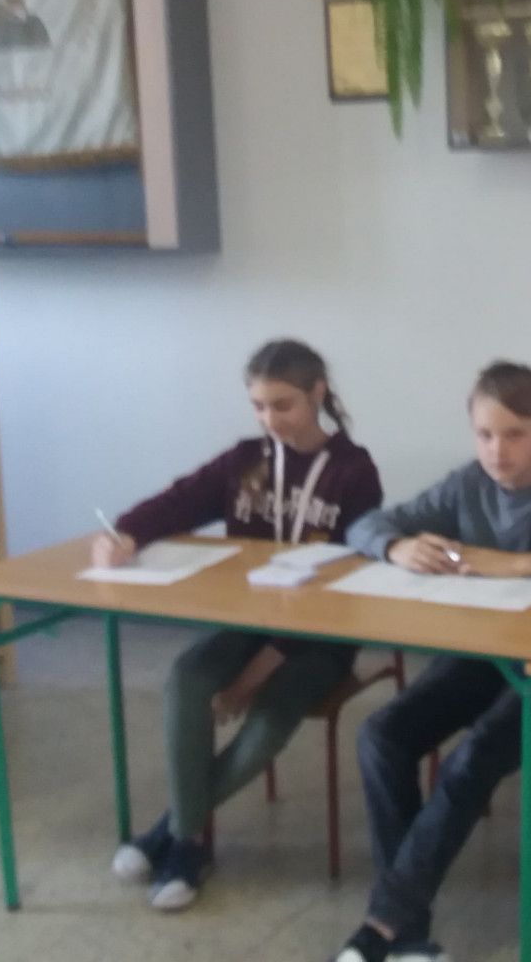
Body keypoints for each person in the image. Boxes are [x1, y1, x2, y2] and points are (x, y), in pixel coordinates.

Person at [330, 361, 531, 962]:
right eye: (484, 435)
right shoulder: (466, 483)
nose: (497, 451)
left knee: (473, 757)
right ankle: (407, 935)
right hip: (485, 655)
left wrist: (521, 564)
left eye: (513, 435)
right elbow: (366, 524)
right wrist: (396, 546)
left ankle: (383, 927)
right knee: (380, 735)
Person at [100, 339, 383, 911]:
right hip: (247, 621)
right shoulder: (246, 460)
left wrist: (250, 680)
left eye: (283, 405)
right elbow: (179, 502)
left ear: (317, 394)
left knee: (271, 716)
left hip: (319, 640)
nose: (270, 419)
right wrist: (126, 533)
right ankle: (188, 838)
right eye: (258, 406)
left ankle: (176, 833)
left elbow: (345, 585)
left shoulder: (354, 472)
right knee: (187, 678)